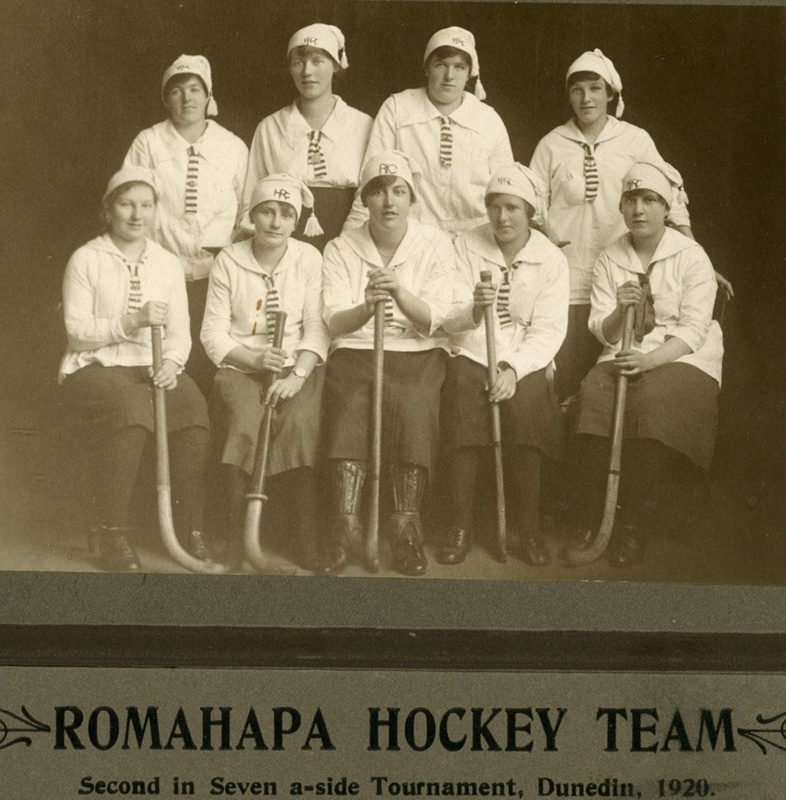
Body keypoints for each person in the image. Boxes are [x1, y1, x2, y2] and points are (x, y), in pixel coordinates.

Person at [530, 49, 731, 403]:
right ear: (568, 95)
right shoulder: (551, 144)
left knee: (615, 373)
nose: (586, 98)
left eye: (595, 88)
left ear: (611, 94)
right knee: (568, 382)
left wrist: (695, 251)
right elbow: (532, 204)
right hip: (569, 278)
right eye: (577, 90)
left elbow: (669, 194)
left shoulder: (635, 140)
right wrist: (547, 236)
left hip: (621, 271)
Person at [58, 167, 211, 572]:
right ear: (108, 210)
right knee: (130, 410)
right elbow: (77, 333)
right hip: (96, 367)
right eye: (126, 204)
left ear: (156, 210)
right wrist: (131, 322)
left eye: (145, 205)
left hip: (154, 367)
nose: (136, 214)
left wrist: (173, 364)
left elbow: (180, 333)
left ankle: (186, 526)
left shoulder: (167, 263)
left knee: (193, 409)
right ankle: (114, 533)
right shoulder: (86, 259)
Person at [573, 161, 723, 568]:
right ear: (621, 207)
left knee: (653, 403)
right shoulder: (610, 257)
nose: (639, 209)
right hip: (624, 351)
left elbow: (694, 329)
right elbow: (602, 331)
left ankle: (632, 524)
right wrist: (619, 311)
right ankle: (594, 517)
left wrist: (650, 360)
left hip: (682, 356)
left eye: (650, 200)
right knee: (594, 394)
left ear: (667, 207)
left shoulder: (691, 256)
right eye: (631, 200)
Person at [322, 151, 456, 575]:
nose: (388, 201)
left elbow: (437, 318)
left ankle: (405, 528)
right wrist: (365, 307)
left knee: (414, 406)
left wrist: (398, 293)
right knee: (352, 403)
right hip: (357, 349)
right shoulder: (341, 247)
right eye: (378, 191)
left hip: (417, 350)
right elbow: (333, 321)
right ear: (365, 198)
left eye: (399, 191)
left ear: (412, 198)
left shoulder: (435, 243)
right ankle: (346, 526)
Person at [201, 174, 336, 573]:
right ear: (253, 215)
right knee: (244, 419)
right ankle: (236, 537)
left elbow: (317, 326)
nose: (275, 222)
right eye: (267, 211)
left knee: (298, 421)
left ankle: (303, 537)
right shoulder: (229, 260)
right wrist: (253, 360)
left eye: (286, 214)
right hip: (242, 364)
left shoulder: (308, 258)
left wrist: (298, 375)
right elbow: (212, 333)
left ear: (296, 221)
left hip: (297, 366)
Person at [440, 164, 569, 566]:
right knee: (464, 395)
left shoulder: (550, 259)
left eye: (512, 207)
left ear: (530, 211)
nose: (502, 217)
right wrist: (473, 311)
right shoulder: (465, 245)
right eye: (494, 206)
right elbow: (447, 316)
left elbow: (549, 330)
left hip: (524, 355)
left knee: (528, 404)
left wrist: (514, 369)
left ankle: (527, 529)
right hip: (472, 348)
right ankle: (460, 526)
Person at [124, 54, 249, 396]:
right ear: (166, 99)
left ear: (209, 96)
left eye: (195, 89)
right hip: (161, 271)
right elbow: (130, 202)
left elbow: (247, 210)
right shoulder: (148, 142)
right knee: (165, 359)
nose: (187, 98)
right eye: (177, 91)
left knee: (213, 359)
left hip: (217, 274)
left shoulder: (232, 146)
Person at [344, 26, 513, 238]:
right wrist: (348, 242)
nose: (449, 76)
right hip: (413, 239)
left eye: (459, 67)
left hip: (477, 237)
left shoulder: (488, 119)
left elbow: (508, 189)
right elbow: (372, 181)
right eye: (441, 65)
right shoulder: (397, 108)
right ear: (426, 68)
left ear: (469, 73)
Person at [242, 24, 372, 252]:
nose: (307, 71)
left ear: (335, 65)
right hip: (283, 244)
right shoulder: (270, 127)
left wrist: (348, 246)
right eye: (298, 63)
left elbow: (370, 194)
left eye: (317, 61)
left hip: (351, 240)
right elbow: (252, 197)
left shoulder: (362, 125)